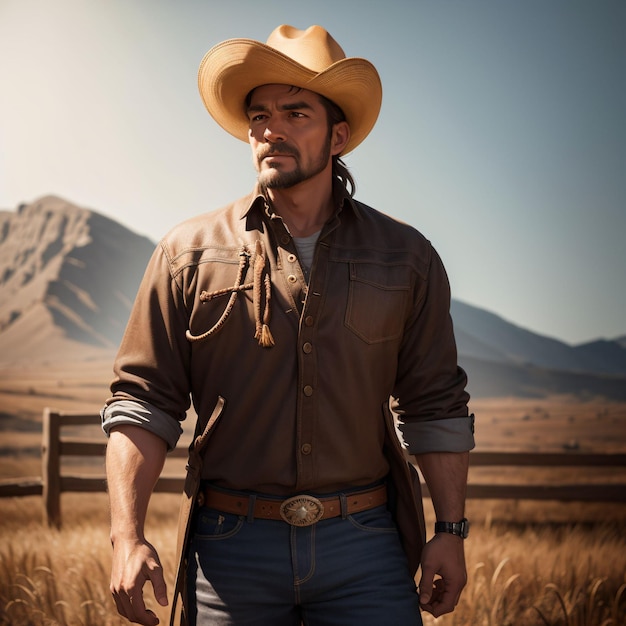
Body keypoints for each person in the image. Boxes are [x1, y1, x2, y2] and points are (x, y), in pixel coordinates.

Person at [102, 24, 475, 626]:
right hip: (229, 552)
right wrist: (127, 535)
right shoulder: (186, 254)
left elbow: (434, 404)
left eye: (296, 112)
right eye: (259, 116)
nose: (271, 129)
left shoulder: (406, 257)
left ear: (339, 135)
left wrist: (450, 529)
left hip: (367, 546)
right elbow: (142, 404)